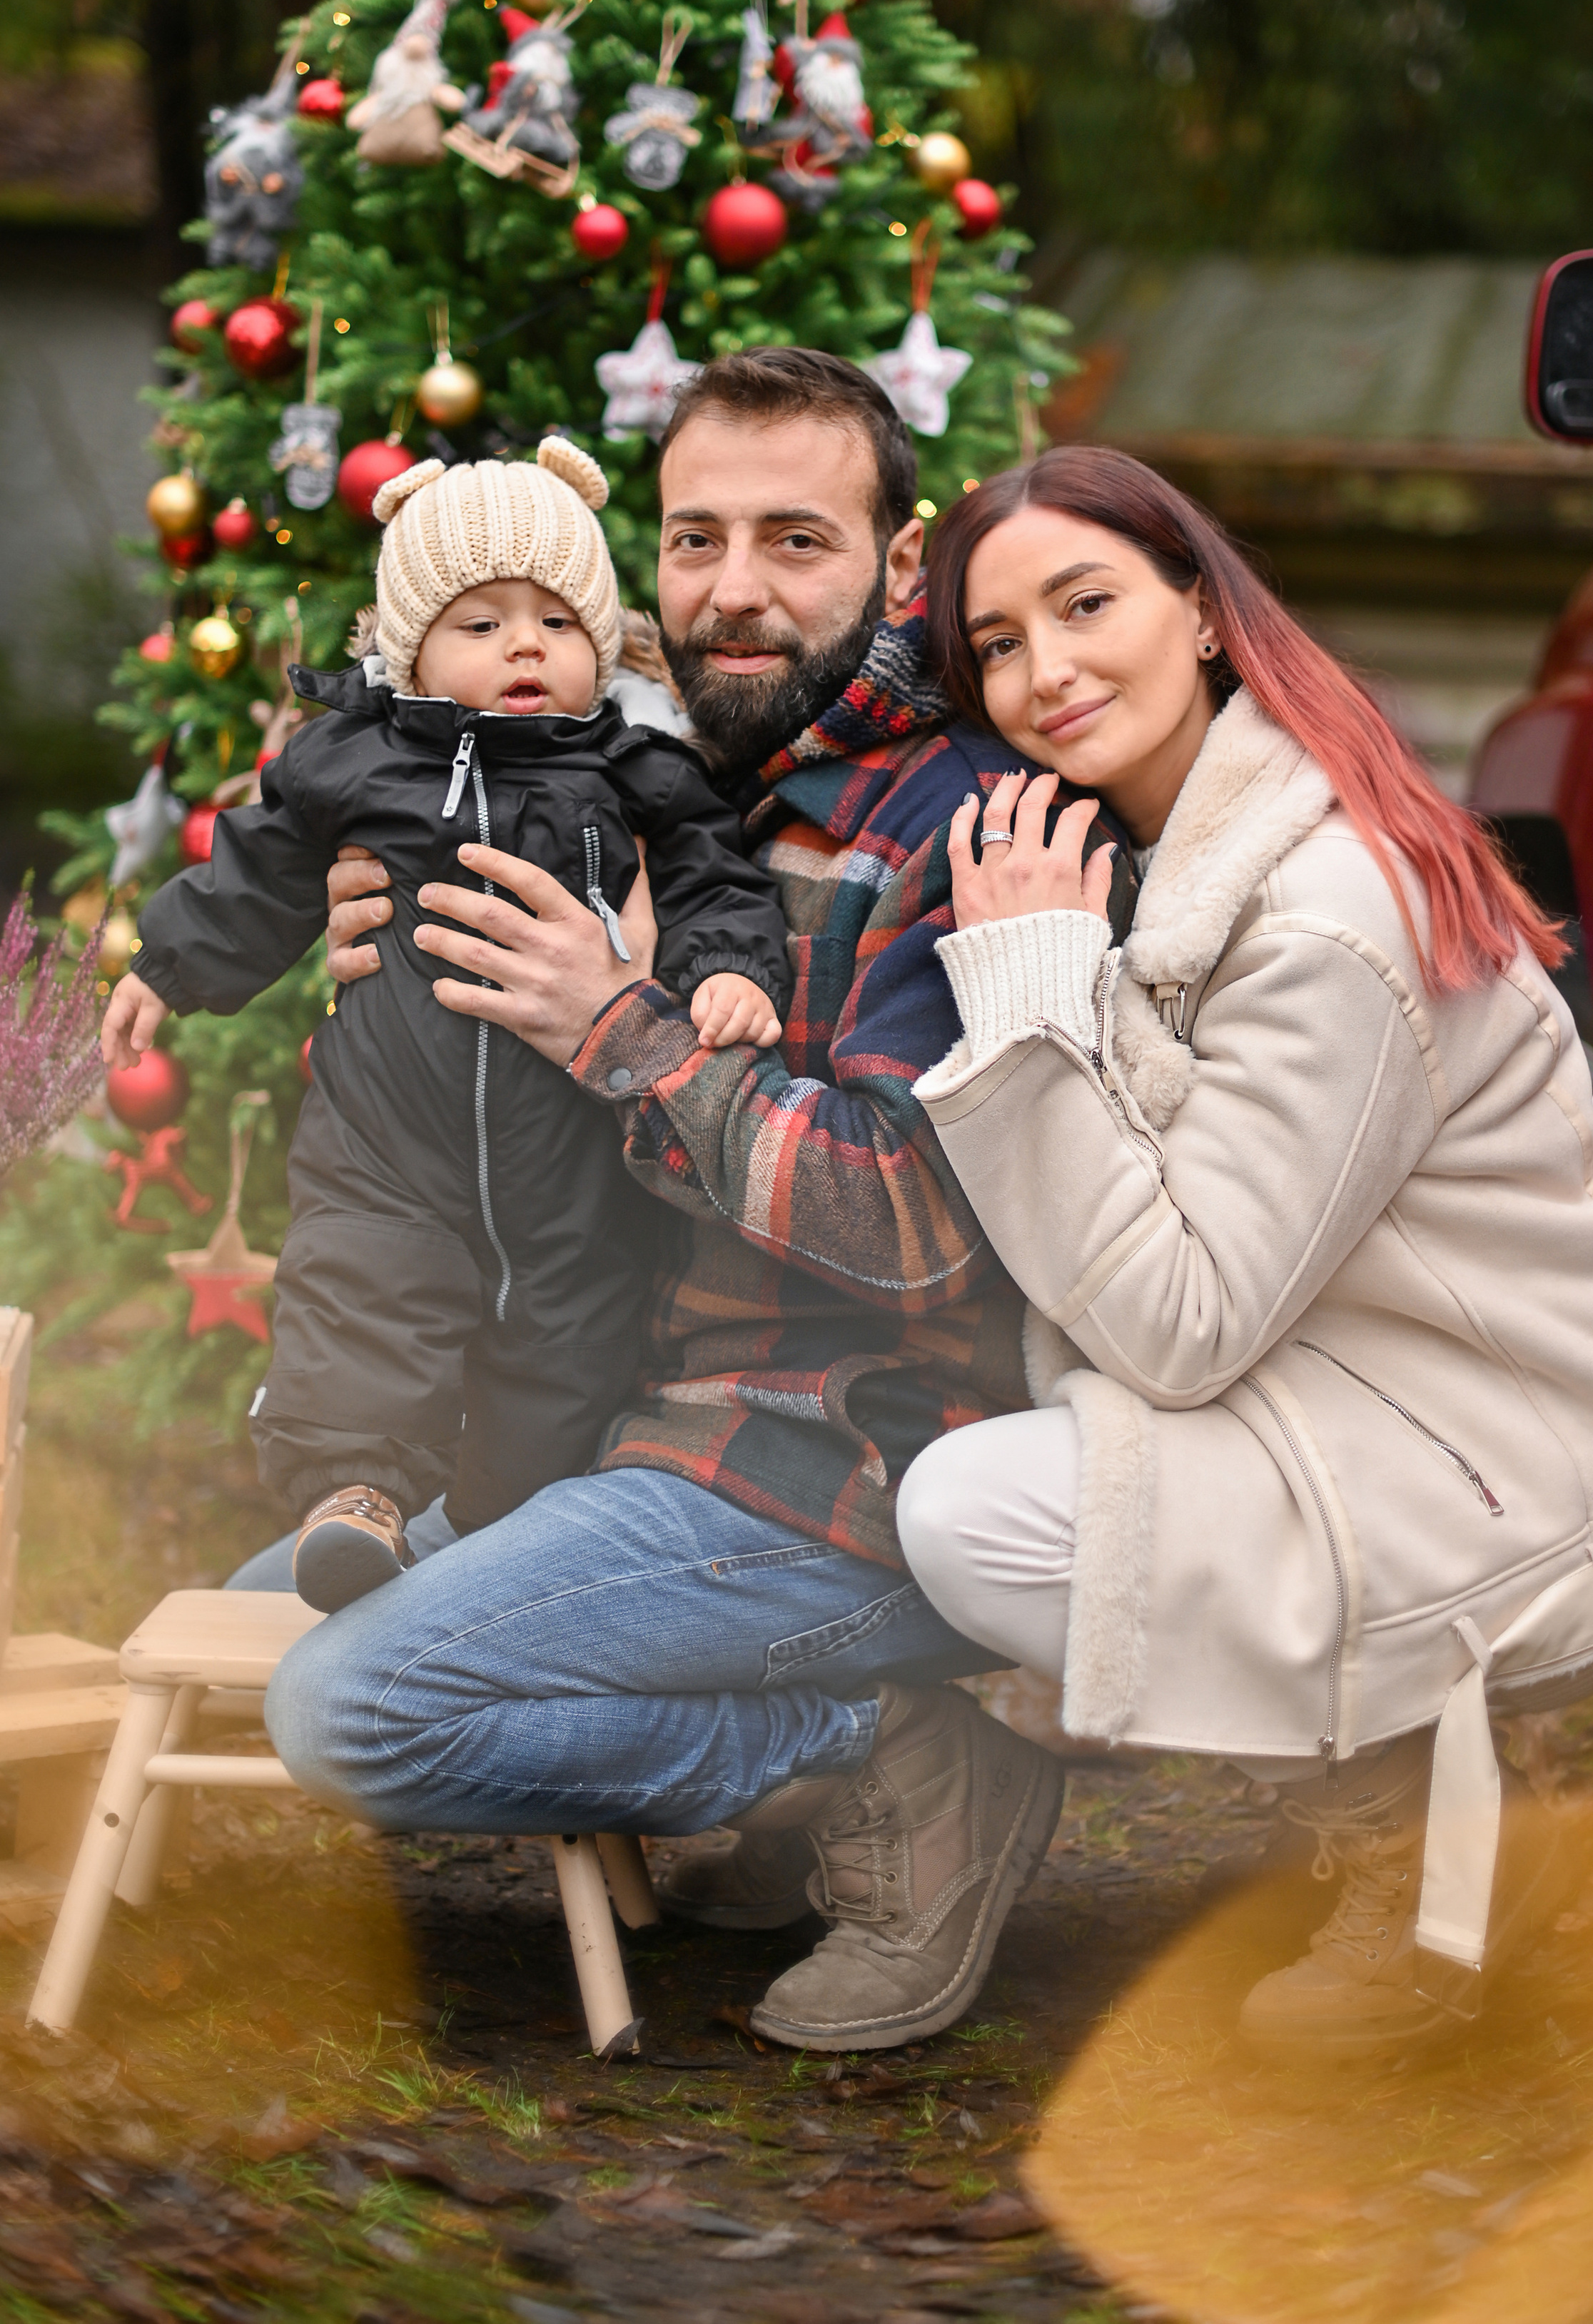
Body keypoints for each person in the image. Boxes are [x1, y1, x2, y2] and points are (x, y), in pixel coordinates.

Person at [264, 351, 1106, 2049]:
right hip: (628, 1422)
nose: (732, 590)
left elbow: (925, 1220)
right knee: (269, 1581)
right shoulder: (651, 779)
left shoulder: (954, 827)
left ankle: (896, 1758)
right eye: (693, 536)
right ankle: (776, 1759)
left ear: (899, 559)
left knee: (350, 1704)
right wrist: (382, 974)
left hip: (839, 1464)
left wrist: (621, 1030)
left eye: (796, 539)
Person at [894, 445, 1593, 2058]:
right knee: (1014, 1451)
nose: (1044, 671)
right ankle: (1459, 1799)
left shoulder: (1324, 905)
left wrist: (1023, 995)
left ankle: (1415, 1847)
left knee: (973, 1515)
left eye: (1085, 604)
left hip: (1520, 1446)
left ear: (1200, 611)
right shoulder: (1171, 853)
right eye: (995, 642)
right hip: (1384, 1388)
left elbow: (1182, 1320)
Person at [103, 437, 789, 1613]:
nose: (526, 646)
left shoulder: (638, 773)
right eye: (482, 623)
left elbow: (712, 878)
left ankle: (501, 1537)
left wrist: (730, 967)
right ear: (411, 647)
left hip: (572, 1161)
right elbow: (259, 870)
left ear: (600, 646)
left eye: (558, 624)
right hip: (389, 1145)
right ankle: (354, 1493)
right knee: (364, 1290)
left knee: (568, 1350)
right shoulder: (354, 762)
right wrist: (168, 966)